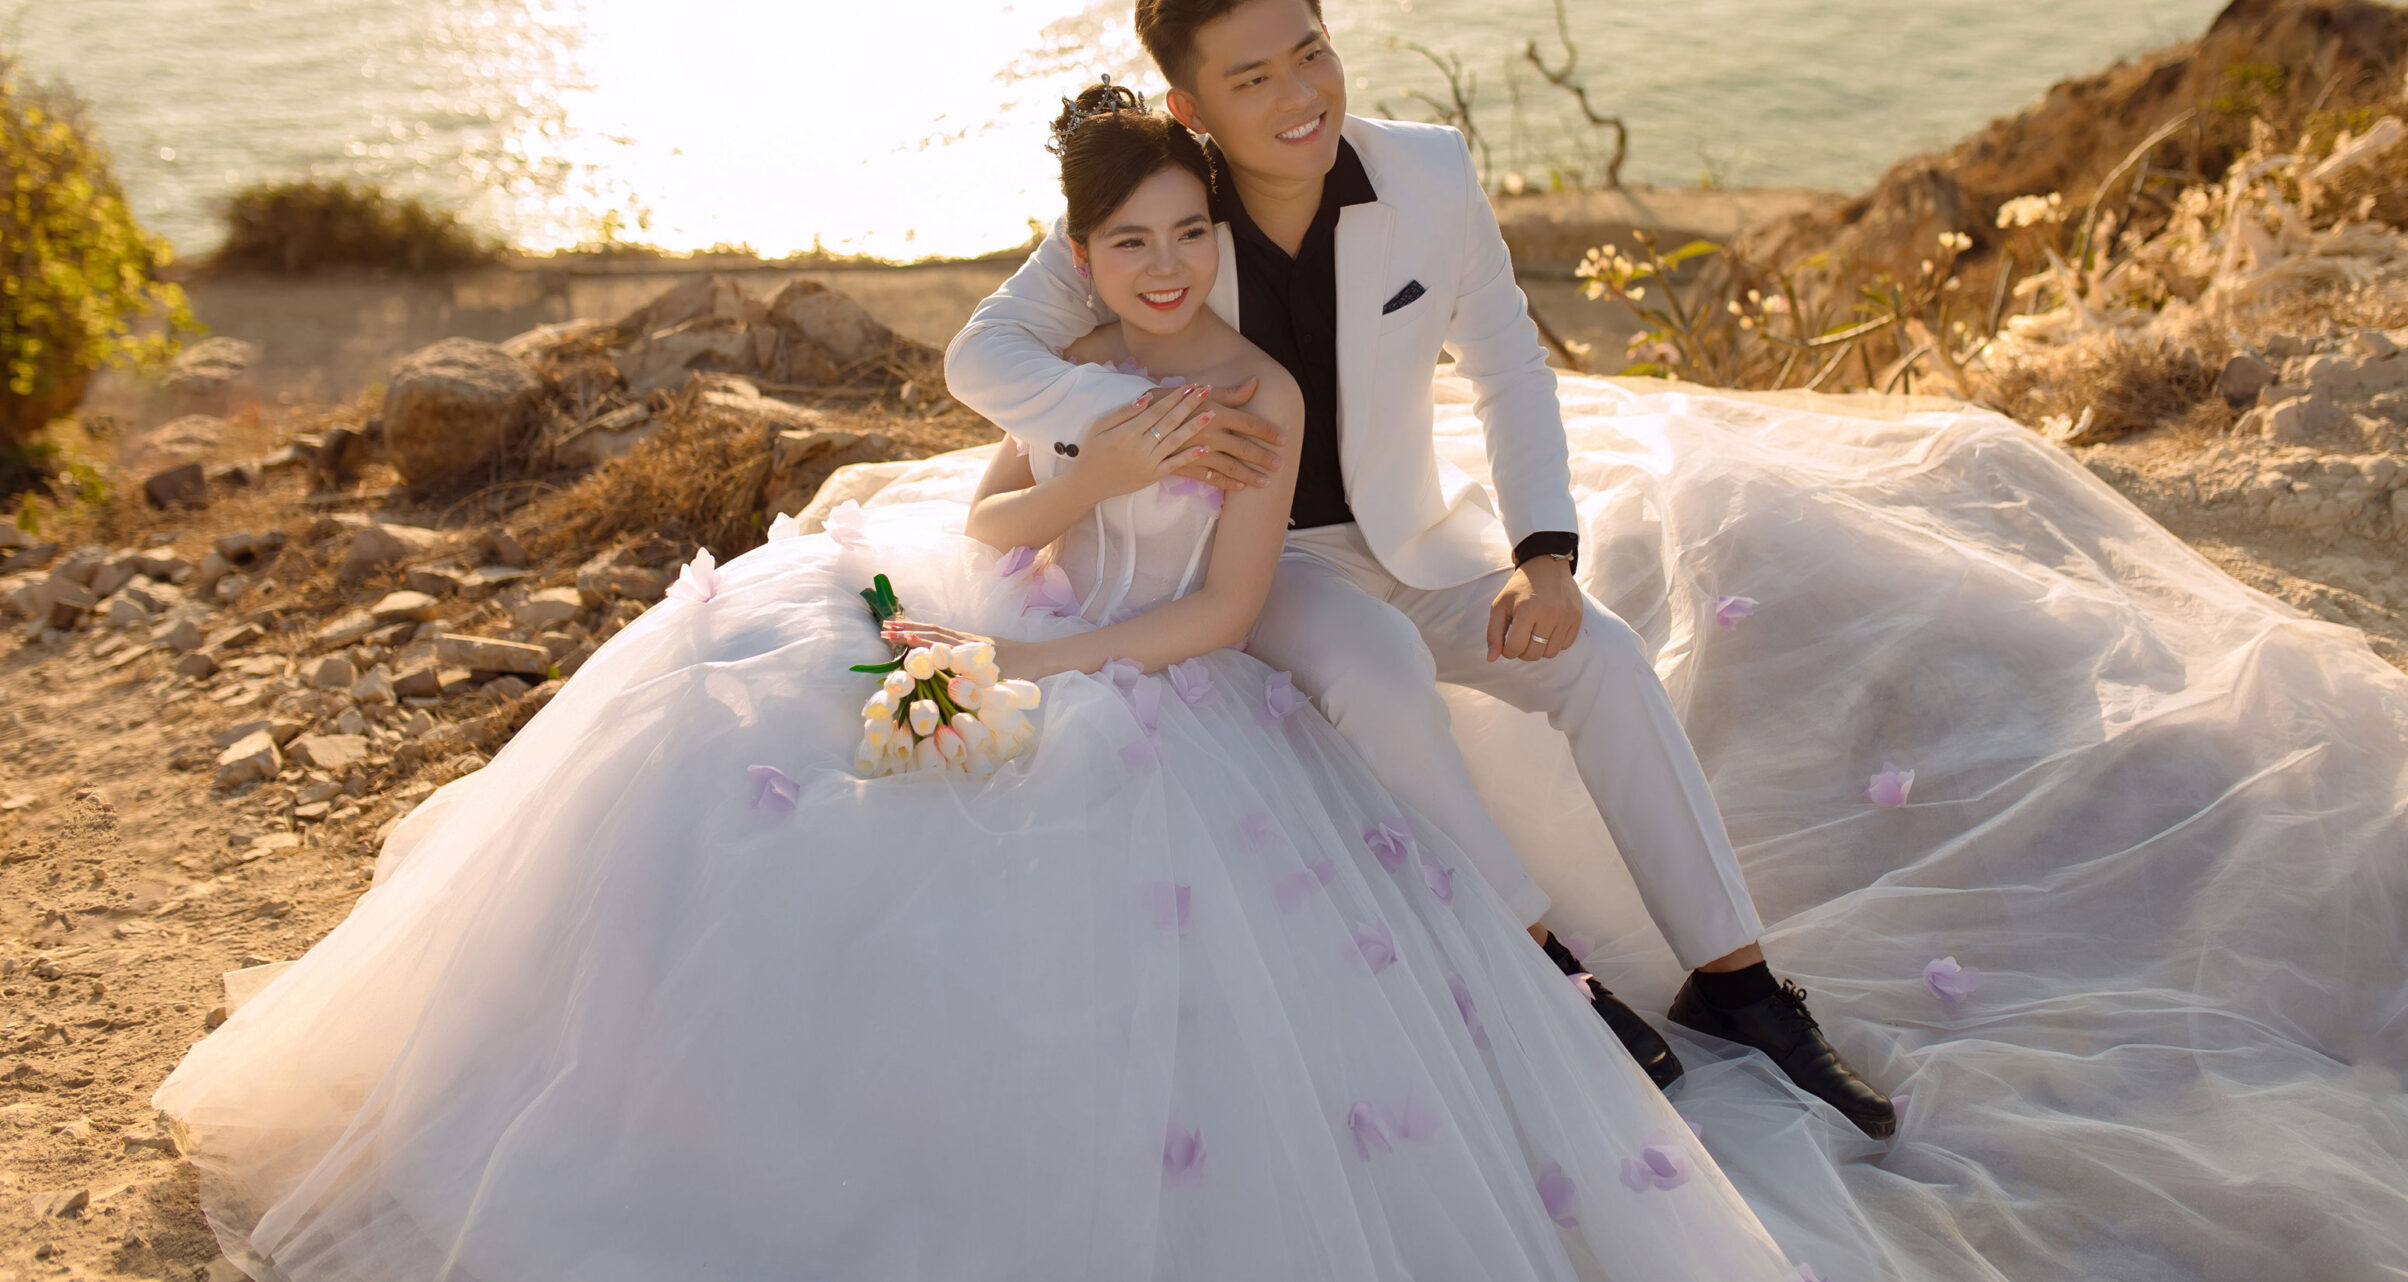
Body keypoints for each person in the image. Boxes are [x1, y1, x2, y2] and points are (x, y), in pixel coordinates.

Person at [150, 84, 1816, 1282]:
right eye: (1131, 241)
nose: (1166, 264)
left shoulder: (1258, 397)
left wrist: (1041, 663)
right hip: (1015, 610)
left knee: (1027, 853)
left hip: (1150, 670)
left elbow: (1229, 608)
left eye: (1189, 232)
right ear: (1084, 254)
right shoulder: (1072, 362)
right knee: (751, 741)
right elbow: (996, 520)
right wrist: (1097, 474)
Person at [944, 0, 1893, 1134]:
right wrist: (1135, 424)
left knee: (1600, 655)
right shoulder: (1163, 206)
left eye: (1311, 52)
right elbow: (983, 353)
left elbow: (1508, 365)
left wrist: (1543, 555)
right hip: (1263, 557)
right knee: (1379, 670)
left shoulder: (1429, 174)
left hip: (1415, 534)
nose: (1299, 94)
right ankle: (1548, 966)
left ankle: (1738, 982)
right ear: (1190, 107)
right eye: (1252, 78)